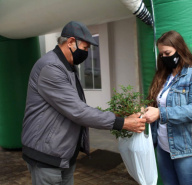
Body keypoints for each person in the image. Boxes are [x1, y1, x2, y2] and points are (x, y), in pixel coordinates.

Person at [21, 21, 146, 185]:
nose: (86, 52)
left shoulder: (68, 67)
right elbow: (78, 111)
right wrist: (122, 123)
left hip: (63, 153)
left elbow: (78, 108)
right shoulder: (51, 67)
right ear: (71, 42)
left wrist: (118, 116)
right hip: (46, 155)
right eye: (85, 48)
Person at [143, 30, 192, 185]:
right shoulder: (166, 75)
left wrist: (160, 113)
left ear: (180, 49)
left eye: (167, 53)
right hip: (164, 149)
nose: (164, 58)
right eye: (161, 54)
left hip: (190, 152)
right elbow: (159, 103)